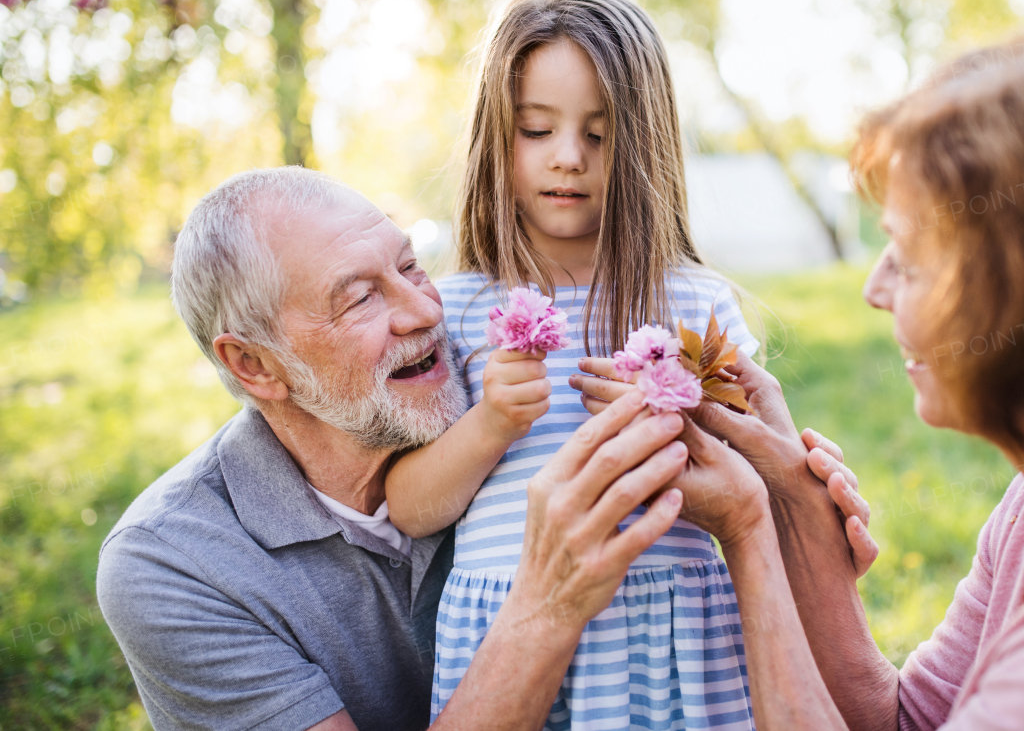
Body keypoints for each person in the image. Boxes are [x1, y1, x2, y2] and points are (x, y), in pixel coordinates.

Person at [577, 21, 1024, 729]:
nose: (875, 288)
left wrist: (751, 533)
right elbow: (906, 720)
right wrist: (795, 509)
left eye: (910, 258)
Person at [96, 167, 700, 731]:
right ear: (254, 365)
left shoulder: (506, 395)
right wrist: (547, 607)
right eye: (359, 298)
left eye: (410, 267)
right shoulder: (170, 565)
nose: (425, 310)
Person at [384, 0, 759, 730]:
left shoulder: (692, 300)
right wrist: (490, 421)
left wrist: (674, 426)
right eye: (536, 129)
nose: (567, 157)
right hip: (515, 622)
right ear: (498, 135)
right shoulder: (457, 309)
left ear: (645, 142)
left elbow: (760, 476)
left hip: (670, 621)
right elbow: (411, 505)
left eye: (599, 133)